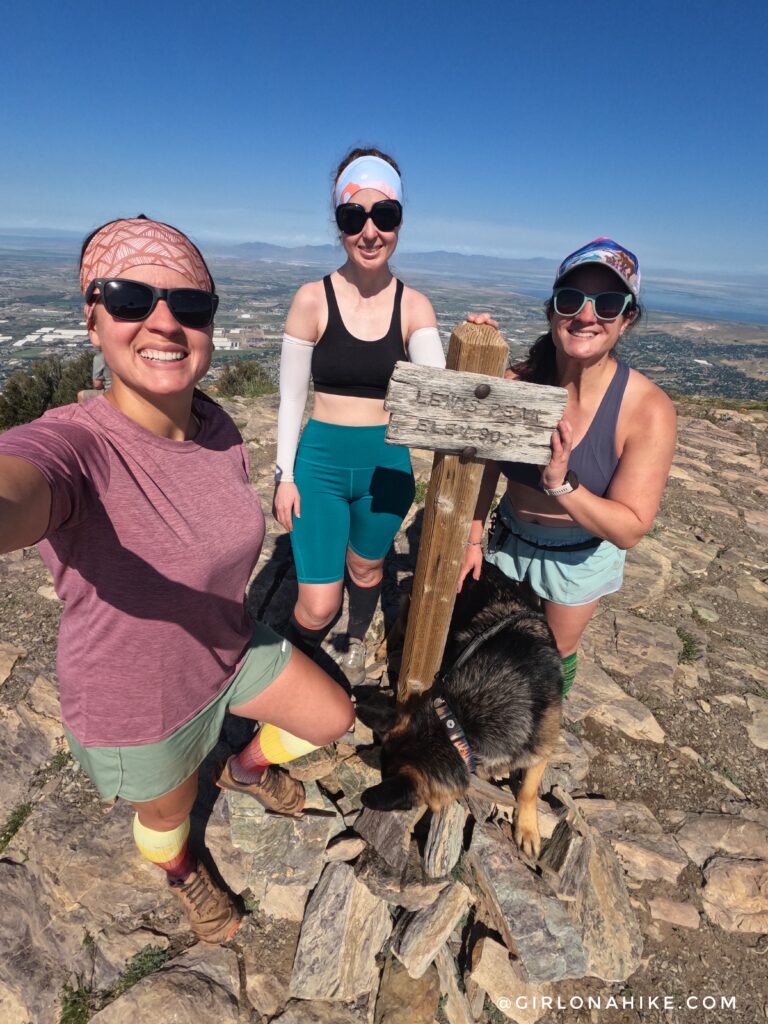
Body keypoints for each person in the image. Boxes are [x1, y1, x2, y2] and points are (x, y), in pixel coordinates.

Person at [0, 216, 354, 944]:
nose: (164, 320)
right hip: (141, 699)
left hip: (226, 649)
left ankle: (246, 769)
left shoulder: (217, 427)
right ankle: (181, 870)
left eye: (190, 305)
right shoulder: (76, 446)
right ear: (92, 318)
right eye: (130, 297)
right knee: (166, 818)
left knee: (331, 719)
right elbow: (20, 485)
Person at [459, 238, 676, 695]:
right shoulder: (518, 382)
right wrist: (475, 349)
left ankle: (537, 748)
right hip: (508, 539)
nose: (586, 315)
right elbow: (484, 465)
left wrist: (562, 486)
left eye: (608, 303)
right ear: (552, 310)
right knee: (484, 643)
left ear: (627, 318)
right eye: (571, 299)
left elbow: (630, 529)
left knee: (551, 659)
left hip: (579, 554)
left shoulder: (646, 409)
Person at [272, 148, 446, 684]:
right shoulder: (311, 300)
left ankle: (355, 638)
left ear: (399, 221)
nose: (370, 231)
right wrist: (285, 474)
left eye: (384, 216)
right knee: (317, 604)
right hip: (321, 463)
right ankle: (285, 673)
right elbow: (292, 398)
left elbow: (437, 389)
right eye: (354, 217)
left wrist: (478, 342)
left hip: (386, 464)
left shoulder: (414, 306)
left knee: (368, 566)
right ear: (340, 224)